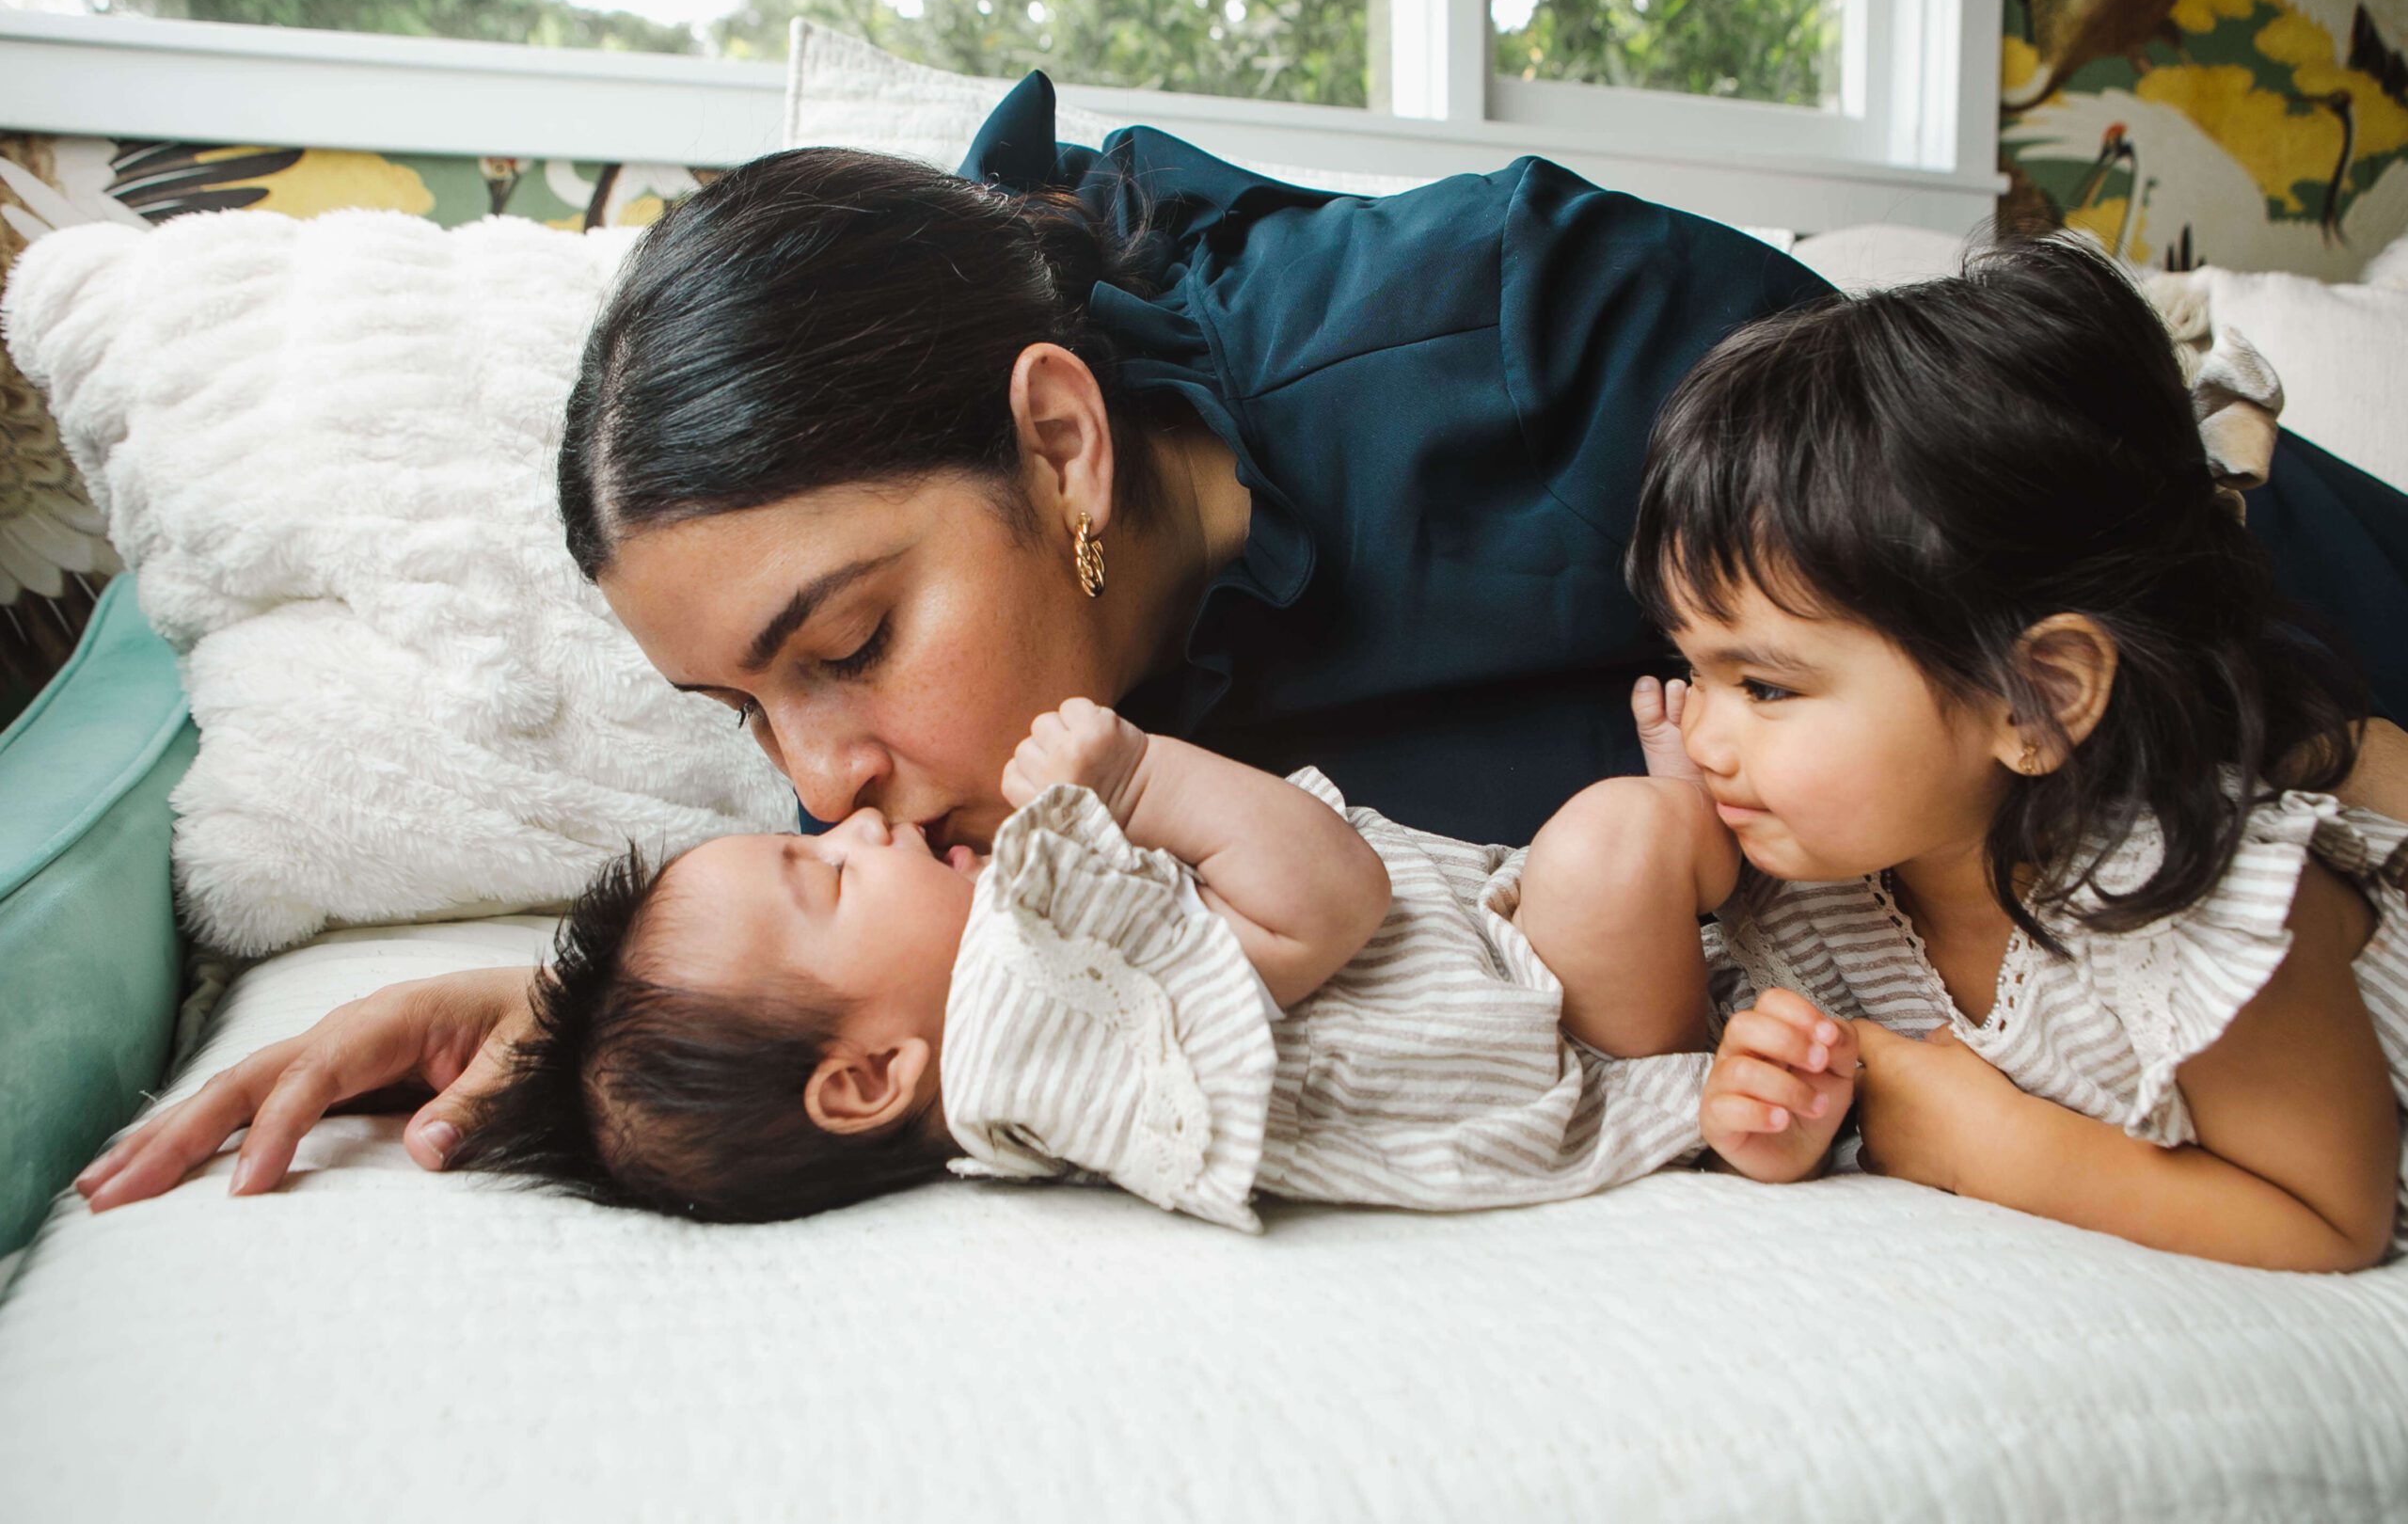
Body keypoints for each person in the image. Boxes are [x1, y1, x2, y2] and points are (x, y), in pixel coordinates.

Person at [74, 73, 2408, 1214]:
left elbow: (2062, 634)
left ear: (1063, 443)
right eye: (746, 715)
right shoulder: (1034, 750)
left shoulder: (1561, 364)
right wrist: (623, 1012)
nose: (813, 781)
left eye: (848, 642)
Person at [1619, 236, 2404, 1272]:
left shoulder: (2193, 901)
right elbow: (1884, 1094)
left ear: (2034, 701)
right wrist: (1793, 1109)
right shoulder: (1817, 887)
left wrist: (1995, 1147)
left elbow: (2331, 1219)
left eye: (1763, 686)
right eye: (1693, 671)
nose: (1698, 736)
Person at [448, 697, 1735, 1227]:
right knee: (1617, 838)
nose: (857, 819)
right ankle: (1708, 883)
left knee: (1615, 852)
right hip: (1564, 1027)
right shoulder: (1044, 1018)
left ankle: (1708, 888)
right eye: (831, 874)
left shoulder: (1025, 1023)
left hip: (1506, 958)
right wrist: (1138, 773)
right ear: (870, 1077)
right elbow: (1330, 897)